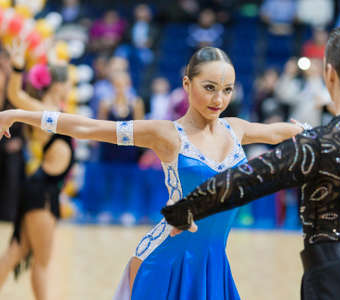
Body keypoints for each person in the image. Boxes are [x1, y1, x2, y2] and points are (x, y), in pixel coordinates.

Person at [160, 25, 340, 300]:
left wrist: (185, 210)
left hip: (330, 281)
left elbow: (245, 180)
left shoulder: (318, 144)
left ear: (329, 74)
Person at [0, 47, 304, 300]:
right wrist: (17, 113)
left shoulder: (236, 129)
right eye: (209, 88)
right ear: (187, 84)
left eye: (226, 90)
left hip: (213, 262)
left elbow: (277, 131)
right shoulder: (166, 134)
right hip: (166, 260)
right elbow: (88, 126)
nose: (218, 100)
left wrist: (307, 131)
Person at [0, 40, 74, 300]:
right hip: (40, 193)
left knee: (16, 252)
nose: (70, 88)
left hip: (45, 190)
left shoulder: (60, 111)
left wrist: (51, 55)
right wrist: (18, 68)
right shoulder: (44, 111)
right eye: (68, 83)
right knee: (39, 261)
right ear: (58, 85)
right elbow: (16, 96)